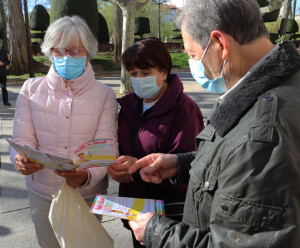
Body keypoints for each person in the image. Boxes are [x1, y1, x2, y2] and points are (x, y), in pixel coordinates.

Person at [127, 0, 300, 247]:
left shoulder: (264, 133)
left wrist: (158, 233)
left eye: (193, 54)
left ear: (220, 43)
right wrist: (182, 164)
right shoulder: (280, 88)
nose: (194, 64)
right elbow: (237, 165)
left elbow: (239, 242)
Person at [8, 16, 118, 247]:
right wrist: (21, 160)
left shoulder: (105, 95)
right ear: (49, 52)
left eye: (75, 51)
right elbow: (22, 138)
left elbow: (106, 148)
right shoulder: (30, 89)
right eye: (58, 51)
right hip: (42, 194)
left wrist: (86, 176)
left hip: (87, 196)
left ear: (88, 52)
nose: (66, 57)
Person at [107, 37, 204, 247]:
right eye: (134, 74)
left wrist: (140, 163)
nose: (139, 78)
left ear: (164, 72)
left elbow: (190, 164)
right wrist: (117, 167)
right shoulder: (127, 108)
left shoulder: (184, 109)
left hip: (170, 218)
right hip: (135, 210)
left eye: (146, 72)